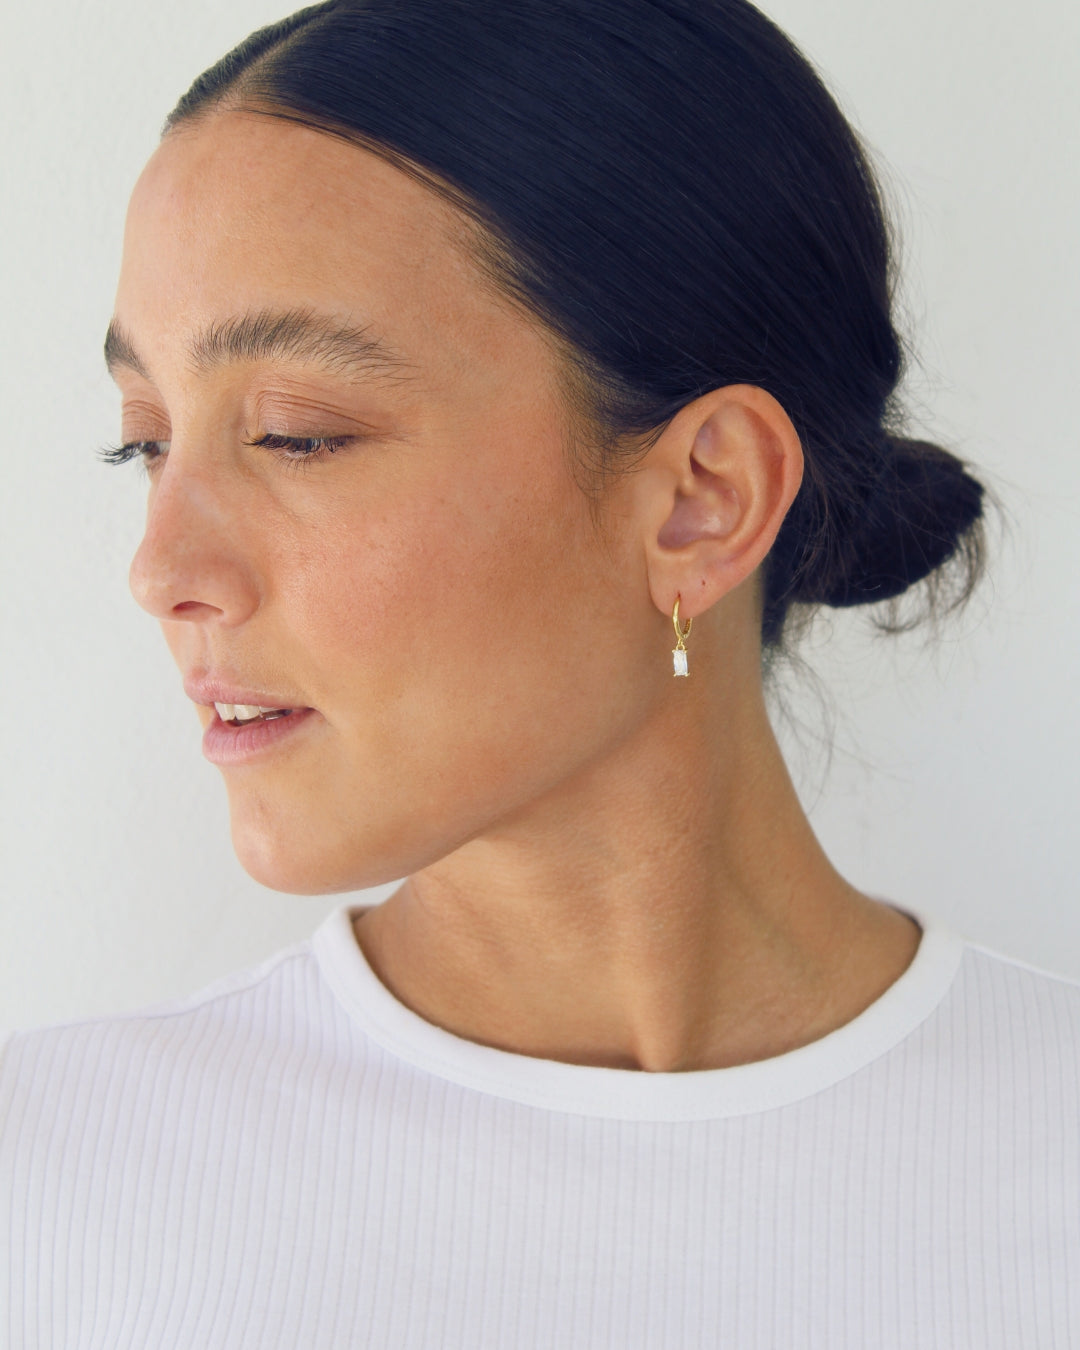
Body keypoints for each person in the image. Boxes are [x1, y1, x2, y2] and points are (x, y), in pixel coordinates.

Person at [2, 1, 1077, 1344]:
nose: (161, 570)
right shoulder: (45, 1198)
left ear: (701, 499)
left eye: (296, 434)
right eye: (144, 442)